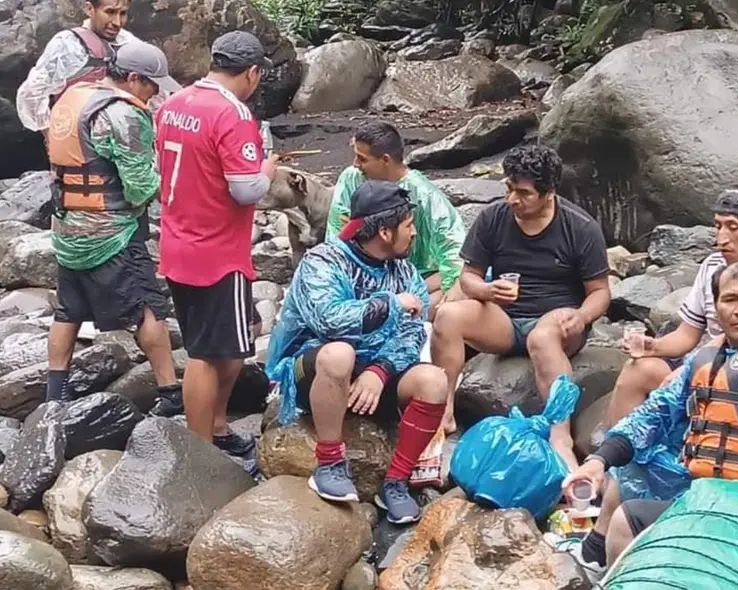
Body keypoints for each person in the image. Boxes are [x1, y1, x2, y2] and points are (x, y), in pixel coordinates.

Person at [554, 262, 738, 580]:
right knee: (626, 517)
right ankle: (613, 570)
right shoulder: (708, 358)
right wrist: (597, 461)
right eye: (730, 299)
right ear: (715, 308)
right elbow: (654, 415)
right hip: (711, 502)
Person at [266, 180, 448, 524]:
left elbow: (413, 332)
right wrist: (390, 304)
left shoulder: (405, 271)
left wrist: (379, 371)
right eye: (408, 227)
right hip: (315, 371)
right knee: (339, 354)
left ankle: (395, 482)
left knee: (434, 382)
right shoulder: (323, 260)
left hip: (374, 375)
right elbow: (329, 320)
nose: (414, 235)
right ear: (384, 232)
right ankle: (330, 462)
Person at [431, 144, 611, 469]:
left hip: (558, 319)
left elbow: (600, 292)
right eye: (509, 188)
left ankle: (560, 435)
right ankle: (442, 412)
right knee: (447, 315)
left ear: (548, 192)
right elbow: (468, 277)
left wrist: (581, 315)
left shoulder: (579, 228)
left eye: (524, 193)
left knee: (542, 338)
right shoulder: (494, 218)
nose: (513, 198)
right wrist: (486, 290)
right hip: (504, 318)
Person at [154, 31, 279, 468]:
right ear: (252, 72)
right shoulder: (233, 114)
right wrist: (266, 169)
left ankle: (218, 428)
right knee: (208, 355)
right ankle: (201, 451)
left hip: (178, 242)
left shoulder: (173, 104)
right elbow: (246, 190)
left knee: (224, 347)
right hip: (216, 252)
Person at [44, 41, 181, 404]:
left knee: (67, 310)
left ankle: (55, 392)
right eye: (152, 85)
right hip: (112, 234)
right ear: (134, 78)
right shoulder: (124, 115)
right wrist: (167, 176)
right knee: (147, 307)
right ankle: (170, 391)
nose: (153, 94)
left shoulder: (72, 98)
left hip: (67, 230)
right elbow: (139, 190)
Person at [606, 189, 738, 427]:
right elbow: (687, 333)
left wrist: (689, 369)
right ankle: (609, 458)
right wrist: (654, 346)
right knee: (637, 370)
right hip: (710, 359)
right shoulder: (713, 264)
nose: (721, 238)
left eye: (733, 227)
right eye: (717, 226)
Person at [325, 121, 467, 319]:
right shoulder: (352, 178)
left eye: (362, 159)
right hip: (364, 273)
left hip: (419, 277)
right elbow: (338, 235)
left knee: (453, 290)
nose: (356, 164)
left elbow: (454, 248)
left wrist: (454, 286)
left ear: (385, 159)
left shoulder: (424, 195)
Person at [16, 0, 171, 138]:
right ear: (90, 9)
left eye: (123, 13)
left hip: (121, 143)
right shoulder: (67, 45)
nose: (117, 22)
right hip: (74, 139)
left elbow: (158, 98)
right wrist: (49, 134)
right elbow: (32, 93)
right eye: (109, 12)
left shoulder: (130, 44)